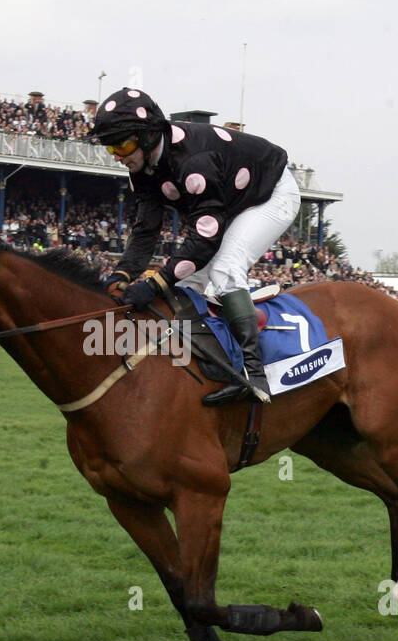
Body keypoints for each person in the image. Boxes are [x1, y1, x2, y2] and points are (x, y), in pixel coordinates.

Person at [87, 88, 300, 404]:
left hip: (272, 195)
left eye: (123, 144)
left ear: (146, 137)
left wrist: (155, 282)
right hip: (230, 201)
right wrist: (122, 274)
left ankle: (254, 377)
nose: (118, 155)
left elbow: (205, 239)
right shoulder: (142, 169)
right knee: (183, 288)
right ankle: (209, 371)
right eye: (111, 148)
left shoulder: (192, 161)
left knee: (226, 269)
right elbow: (146, 231)